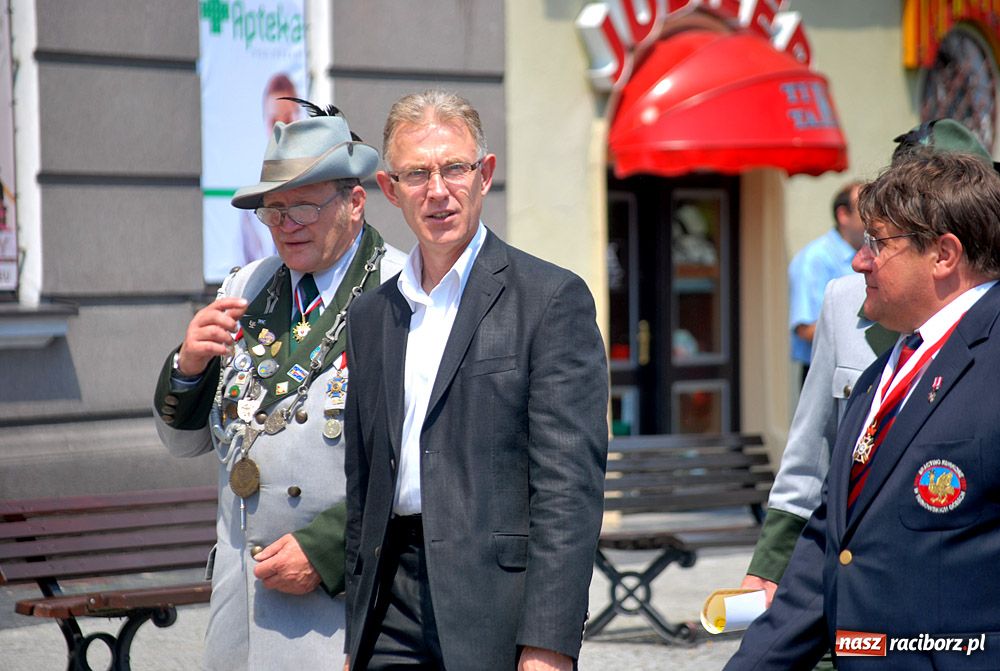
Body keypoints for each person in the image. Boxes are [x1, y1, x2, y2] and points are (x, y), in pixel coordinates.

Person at [342, 90, 609, 671]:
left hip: (497, 606)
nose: (438, 190)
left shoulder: (550, 300)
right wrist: (354, 634)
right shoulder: (370, 318)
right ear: (391, 190)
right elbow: (364, 487)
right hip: (392, 602)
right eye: (417, 173)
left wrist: (549, 643)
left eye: (454, 168)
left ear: (484, 175)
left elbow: (569, 489)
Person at [152, 100, 405, 670]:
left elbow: (419, 457)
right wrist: (188, 366)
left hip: (340, 600)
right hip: (244, 604)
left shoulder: (400, 293)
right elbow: (184, 443)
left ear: (355, 203)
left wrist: (326, 550)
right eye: (273, 211)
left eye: (304, 208)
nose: (286, 226)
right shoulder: (248, 284)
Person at [726, 149, 1000, 670]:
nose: (859, 260)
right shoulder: (886, 370)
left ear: (944, 255)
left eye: (878, 243)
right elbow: (829, 550)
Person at [788, 180, 864, 382]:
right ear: (843, 215)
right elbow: (805, 329)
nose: (873, 216)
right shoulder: (814, 259)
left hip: (861, 370)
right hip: (825, 375)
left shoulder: (871, 254)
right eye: (864, 209)